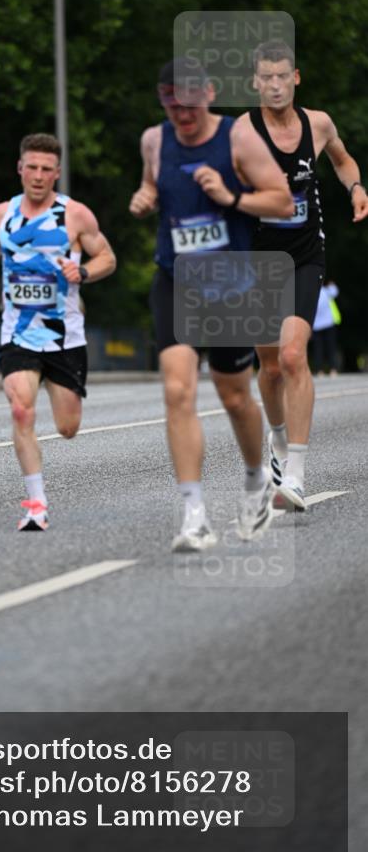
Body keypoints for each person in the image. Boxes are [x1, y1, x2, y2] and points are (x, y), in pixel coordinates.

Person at [130, 58, 294, 552]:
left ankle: (254, 477)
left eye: (190, 99)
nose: (181, 110)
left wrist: (229, 197)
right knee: (178, 391)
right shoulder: (154, 140)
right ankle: (194, 515)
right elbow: (154, 185)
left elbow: (282, 201)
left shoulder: (239, 139)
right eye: (170, 99)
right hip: (176, 278)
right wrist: (144, 197)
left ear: (210, 92)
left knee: (234, 396)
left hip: (230, 281)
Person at [0, 133, 116, 530]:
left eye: (47, 169)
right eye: (32, 166)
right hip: (17, 332)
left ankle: (56, 394)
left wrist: (82, 272)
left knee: (67, 428)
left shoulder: (76, 215)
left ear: (57, 173)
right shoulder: (2, 214)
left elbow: (108, 259)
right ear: (20, 168)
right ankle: (36, 504)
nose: (39, 175)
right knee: (20, 408)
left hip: (65, 337)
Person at [238, 40, 368, 510]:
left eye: (281, 76)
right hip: (256, 260)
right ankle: (276, 441)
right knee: (269, 366)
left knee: (293, 356)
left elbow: (342, 158)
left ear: (295, 78)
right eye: (265, 77)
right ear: (255, 82)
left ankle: (295, 474)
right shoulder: (242, 133)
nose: (274, 85)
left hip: (304, 255)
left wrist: (355, 186)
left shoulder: (319, 123)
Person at [312, 281, 340, 376]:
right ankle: (333, 370)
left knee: (318, 349)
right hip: (328, 324)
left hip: (316, 325)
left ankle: (319, 371)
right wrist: (332, 284)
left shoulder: (311, 293)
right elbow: (335, 291)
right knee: (331, 348)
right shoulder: (326, 291)